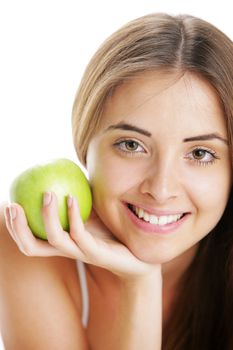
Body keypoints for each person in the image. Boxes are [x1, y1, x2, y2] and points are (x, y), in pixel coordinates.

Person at [0, 12, 233, 350]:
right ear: (84, 148)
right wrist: (141, 283)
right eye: (131, 145)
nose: (161, 188)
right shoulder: (27, 246)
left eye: (199, 154)